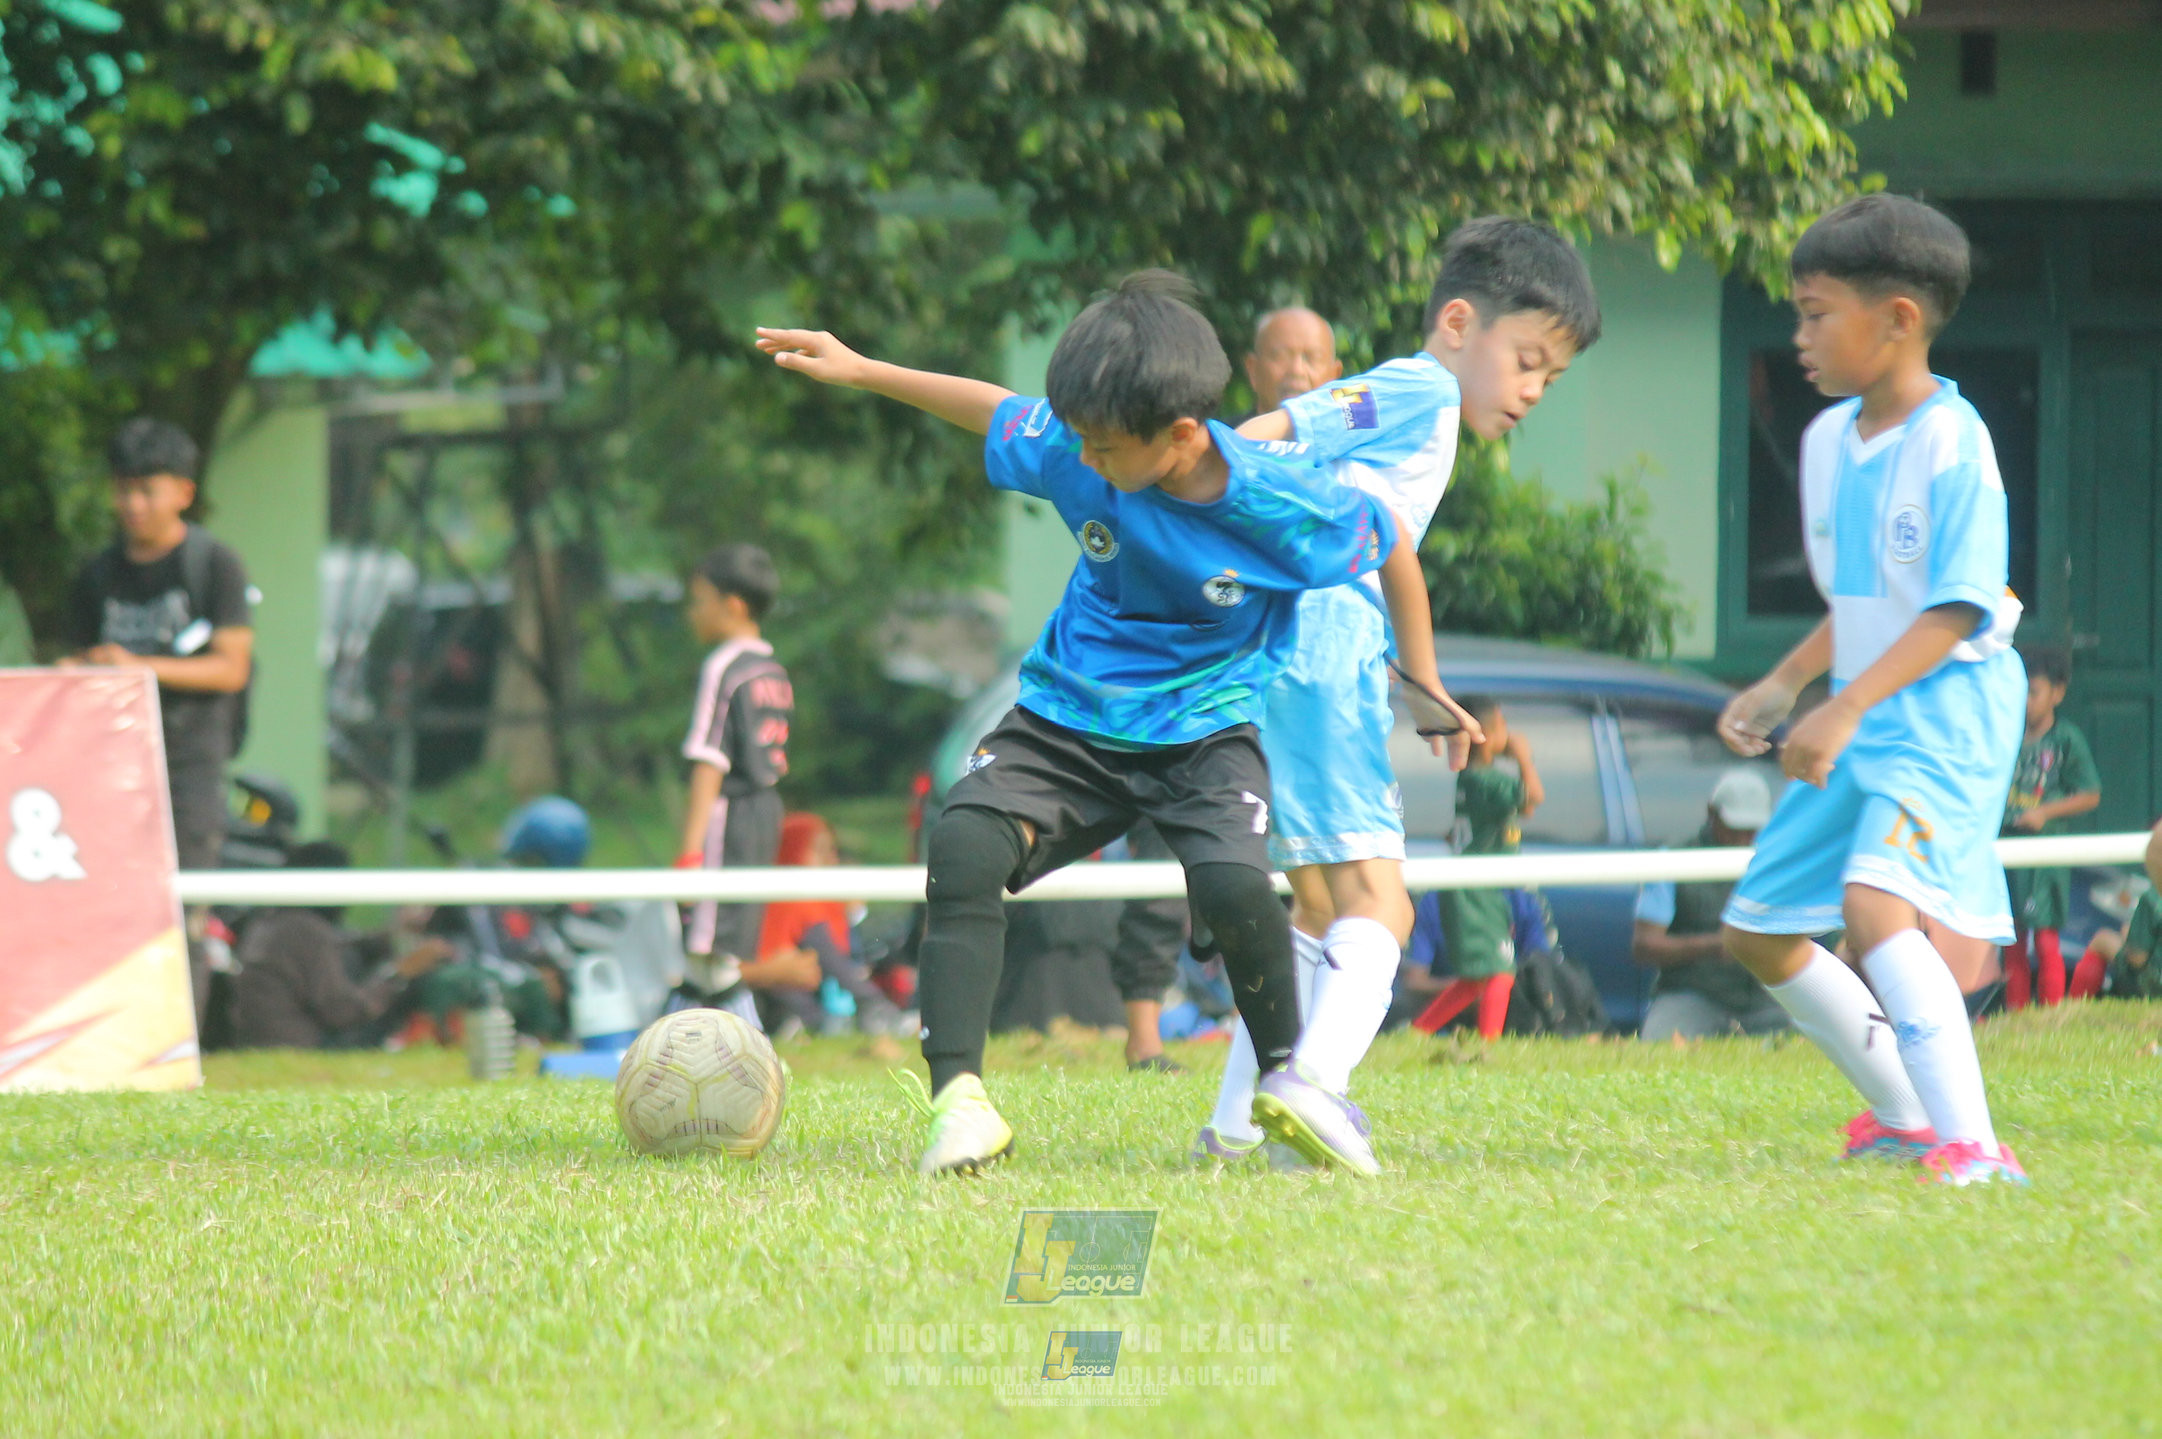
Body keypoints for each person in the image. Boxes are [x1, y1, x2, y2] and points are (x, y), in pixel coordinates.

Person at [756, 270, 1467, 1176]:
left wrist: (1422, 673)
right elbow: (995, 409)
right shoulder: (1085, 445)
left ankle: (1295, 1085)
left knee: (1237, 890)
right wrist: (862, 370)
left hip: (1207, 727)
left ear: (1178, 437)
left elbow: (1390, 543)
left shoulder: (1278, 501)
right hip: (1070, 717)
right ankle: (961, 1102)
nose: (1081, 459)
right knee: (966, 842)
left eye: (1101, 445)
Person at [1192, 219, 1598, 1172]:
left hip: (1284, 649)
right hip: (1322, 646)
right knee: (1387, 906)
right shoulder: (1423, 388)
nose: (1535, 390)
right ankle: (1312, 1084)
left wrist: (1419, 687)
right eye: (1529, 360)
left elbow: (1373, 535)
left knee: (1320, 908)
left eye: (1553, 375)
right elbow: (1291, 426)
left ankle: (1238, 1126)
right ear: (1459, 322)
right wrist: (1206, 471)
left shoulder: (1425, 412)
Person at [1716, 194, 2030, 1186]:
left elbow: (1953, 607)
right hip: (1861, 701)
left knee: (1873, 905)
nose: (1797, 335)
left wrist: (1843, 706)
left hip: (1946, 706)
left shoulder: (1954, 442)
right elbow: (1863, 599)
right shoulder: (1825, 443)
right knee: (1758, 930)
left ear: (1897, 317)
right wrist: (1784, 682)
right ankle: (1904, 1114)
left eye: (1815, 312)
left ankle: (1974, 1147)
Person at [61, 417, 255, 1020]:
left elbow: (230, 668)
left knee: (185, 908)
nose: (133, 504)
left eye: (148, 489)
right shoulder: (96, 575)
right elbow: (72, 661)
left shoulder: (213, 564)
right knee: (108, 903)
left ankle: (181, 1043)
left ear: (183, 493)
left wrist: (136, 667)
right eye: (123, 489)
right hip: (110, 767)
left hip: (190, 763)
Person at [675, 543, 794, 1009]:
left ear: (733, 605)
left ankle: (752, 1053)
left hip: (729, 816)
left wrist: (688, 851)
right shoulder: (772, 667)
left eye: (699, 601)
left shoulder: (724, 666)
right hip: (765, 813)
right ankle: (675, 1053)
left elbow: (710, 761)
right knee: (710, 955)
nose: (692, 613)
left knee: (713, 951)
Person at [228, 842, 454, 1048]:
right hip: (300, 1048)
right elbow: (343, 1011)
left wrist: (396, 933)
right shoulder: (305, 931)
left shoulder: (269, 923)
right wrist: (401, 972)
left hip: (262, 1042)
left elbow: (344, 943)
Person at [1631, 768, 1791, 1041]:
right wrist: (1715, 945)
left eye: (1751, 831)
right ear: (1711, 813)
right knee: (1658, 1044)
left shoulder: (1778, 862)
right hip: (1691, 993)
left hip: (1767, 996)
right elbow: (1644, 946)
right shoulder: (1673, 860)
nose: (1743, 839)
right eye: (1734, 829)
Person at [1421, 698, 1545, 1039]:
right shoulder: (1487, 781)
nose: (1510, 734)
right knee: (1499, 970)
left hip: (1476, 888)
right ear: (1487, 735)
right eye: (1503, 727)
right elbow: (1534, 796)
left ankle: (1419, 1032)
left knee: (1479, 975)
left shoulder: (1472, 778)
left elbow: (1524, 810)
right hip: (1476, 890)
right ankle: (1489, 1042)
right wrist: (1522, 757)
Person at [1998, 646, 2101, 1009]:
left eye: (2034, 692)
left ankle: (2051, 1016)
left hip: (2045, 852)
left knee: (2044, 939)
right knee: (2009, 939)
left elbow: (2090, 795)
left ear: (2058, 692)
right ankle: (2015, 1019)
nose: (2026, 701)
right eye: (2020, 691)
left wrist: (2046, 812)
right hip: (2006, 847)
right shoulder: (2004, 736)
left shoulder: (2066, 739)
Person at [748, 812, 906, 1037]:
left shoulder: (822, 905)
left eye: (832, 852)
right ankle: (871, 1008)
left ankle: (857, 1012)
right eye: (820, 852)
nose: (831, 861)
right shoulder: (795, 903)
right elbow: (833, 961)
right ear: (792, 850)